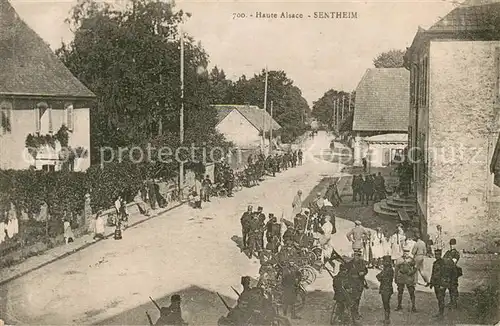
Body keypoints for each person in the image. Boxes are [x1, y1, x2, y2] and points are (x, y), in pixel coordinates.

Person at [394, 245, 417, 312]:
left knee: (411, 292)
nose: (406, 253)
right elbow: (396, 269)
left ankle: (413, 306)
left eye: (407, 252)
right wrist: (395, 278)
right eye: (404, 252)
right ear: (403, 252)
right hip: (401, 277)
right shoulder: (399, 259)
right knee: (400, 292)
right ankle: (399, 305)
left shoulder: (411, 259)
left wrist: (412, 274)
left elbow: (415, 268)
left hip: (409, 278)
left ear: (409, 252)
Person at [348, 248, 368, 320]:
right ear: (354, 255)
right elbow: (346, 273)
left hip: (360, 283)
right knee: (353, 298)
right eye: (356, 255)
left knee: (358, 299)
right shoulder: (350, 263)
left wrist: (363, 273)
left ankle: (355, 313)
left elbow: (366, 270)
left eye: (359, 255)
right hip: (352, 283)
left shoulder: (362, 262)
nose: (357, 257)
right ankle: (353, 313)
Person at [443, 238, 462, 308]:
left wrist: (447, 260)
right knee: (449, 287)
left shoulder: (456, 253)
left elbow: (453, 262)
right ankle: (451, 302)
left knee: (454, 287)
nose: (452, 246)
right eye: (451, 244)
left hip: (453, 272)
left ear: (455, 245)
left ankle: (454, 302)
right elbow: (443, 260)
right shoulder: (448, 252)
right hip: (448, 272)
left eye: (453, 244)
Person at [429, 248, 447, 320]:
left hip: (441, 284)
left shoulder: (443, 263)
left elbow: (445, 275)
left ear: (441, 255)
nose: (436, 256)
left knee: (441, 299)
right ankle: (440, 313)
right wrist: (431, 283)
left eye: (438, 254)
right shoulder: (435, 263)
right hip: (436, 284)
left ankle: (441, 314)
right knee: (439, 298)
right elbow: (433, 274)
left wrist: (443, 285)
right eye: (435, 254)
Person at [376, 255, 394, 325]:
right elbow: (379, 276)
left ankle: (387, 319)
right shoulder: (386, 269)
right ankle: (386, 318)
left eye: (384, 261)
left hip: (386, 289)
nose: (383, 263)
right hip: (386, 288)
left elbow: (380, 277)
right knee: (385, 304)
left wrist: (380, 277)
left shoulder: (388, 270)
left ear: (388, 262)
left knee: (386, 304)